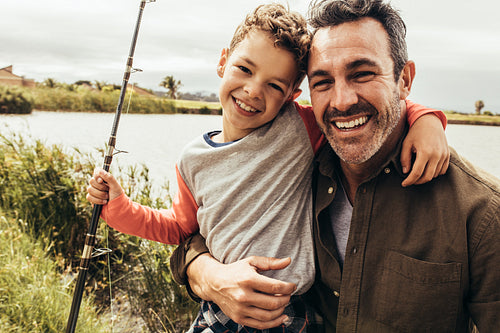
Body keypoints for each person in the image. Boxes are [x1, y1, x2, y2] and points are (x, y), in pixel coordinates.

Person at [87, 3, 449, 332]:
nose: (252, 91)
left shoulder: (301, 128)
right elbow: (180, 229)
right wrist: (118, 209)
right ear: (222, 61)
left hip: (291, 314)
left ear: (292, 94)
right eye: (244, 69)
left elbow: (364, 110)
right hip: (218, 309)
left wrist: (426, 121)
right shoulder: (191, 160)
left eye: (274, 85)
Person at [169, 0, 500, 332]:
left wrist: (426, 117)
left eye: (363, 74)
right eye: (323, 81)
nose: (341, 101)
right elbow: (197, 233)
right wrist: (210, 276)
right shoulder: (300, 165)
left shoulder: (481, 213)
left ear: (404, 79)